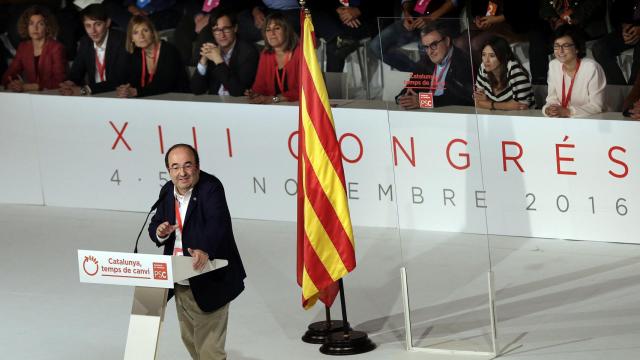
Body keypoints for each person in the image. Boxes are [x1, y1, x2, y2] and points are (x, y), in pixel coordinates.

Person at [149, 143, 246, 360]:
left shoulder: (211, 188)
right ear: (169, 170)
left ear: (197, 167)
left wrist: (205, 249)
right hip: (180, 279)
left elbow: (218, 225)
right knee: (191, 341)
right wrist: (160, 231)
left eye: (187, 165)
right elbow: (155, 224)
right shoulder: (167, 191)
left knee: (209, 350)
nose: (181, 172)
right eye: (175, 167)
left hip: (209, 277)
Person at [396, 22, 474, 109]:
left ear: (447, 41)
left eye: (433, 45)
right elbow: (411, 87)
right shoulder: (425, 60)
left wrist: (424, 101)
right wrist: (402, 98)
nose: (430, 52)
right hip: (429, 112)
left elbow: (458, 98)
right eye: (426, 47)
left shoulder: (463, 61)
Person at [368, 0, 461, 72]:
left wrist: (430, 18)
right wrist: (407, 13)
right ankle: (418, 73)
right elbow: (406, 1)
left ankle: (426, 78)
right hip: (414, 20)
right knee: (376, 46)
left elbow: (454, 1)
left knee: (425, 49)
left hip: (441, 19)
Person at [59, 3, 130, 96]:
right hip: (95, 97)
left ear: (108, 22)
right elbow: (76, 73)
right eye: (88, 26)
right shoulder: (85, 42)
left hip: (118, 96)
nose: (93, 31)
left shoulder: (121, 41)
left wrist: (84, 90)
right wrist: (69, 83)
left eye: (98, 24)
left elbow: (119, 80)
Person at [116, 15, 189, 98]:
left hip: (177, 100)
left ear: (152, 33)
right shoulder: (136, 53)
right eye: (136, 33)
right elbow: (131, 80)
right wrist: (126, 89)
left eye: (145, 31)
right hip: (150, 100)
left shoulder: (169, 51)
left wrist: (136, 91)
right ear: (131, 38)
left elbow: (165, 85)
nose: (141, 36)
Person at [191, 9, 259, 96]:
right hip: (215, 104)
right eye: (217, 30)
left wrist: (219, 61)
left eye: (226, 29)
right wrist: (203, 61)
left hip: (239, 105)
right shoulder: (212, 49)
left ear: (235, 28)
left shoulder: (249, 52)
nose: (222, 35)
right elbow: (196, 90)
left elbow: (238, 92)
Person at [542, 25, 606, 118]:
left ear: (577, 48)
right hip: (564, 119)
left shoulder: (591, 68)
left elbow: (597, 106)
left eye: (566, 46)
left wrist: (568, 111)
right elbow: (552, 99)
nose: (560, 51)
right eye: (556, 46)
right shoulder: (553, 65)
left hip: (592, 120)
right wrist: (549, 109)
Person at [1, 5, 66, 92]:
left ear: (47, 27)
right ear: (26, 27)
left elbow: (59, 82)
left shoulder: (56, 48)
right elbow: (8, 75)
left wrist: (28, 87)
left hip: (52, 96)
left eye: (40, 24)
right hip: (31, 96)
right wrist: (12, 83)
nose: (35, 28)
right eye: (31, 23)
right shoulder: (23, 47)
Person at [245, 12, 300, 104]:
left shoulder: (301, 53)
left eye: (277, 28)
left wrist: (275, 99)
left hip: (299, 109)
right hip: (273, 109)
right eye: (268, 30)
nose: (272, 33)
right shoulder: (266, 55)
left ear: (287, 31)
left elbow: (305, 89)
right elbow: (259, 86)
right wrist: (255, 94)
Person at [474, 36, 533, 110]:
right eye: (484, 54)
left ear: (503, 56)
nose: (486, 60)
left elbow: (522, 107)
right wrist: (507, 105)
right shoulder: (483, 67)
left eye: (492, 56)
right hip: (497, 117)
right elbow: (477, 102)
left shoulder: (513, 68)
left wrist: (488, 102)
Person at [592, 0, 640, 85]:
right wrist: (624, 26)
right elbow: (616, 13)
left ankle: (633, 91)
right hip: (631, 28)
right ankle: (621, 90)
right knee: (599, 47)